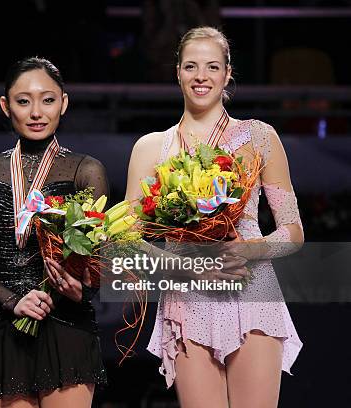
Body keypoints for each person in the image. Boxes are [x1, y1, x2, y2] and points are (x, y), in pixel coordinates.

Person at [125, 27, 303, 407]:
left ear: (227, 73)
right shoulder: (151, 147)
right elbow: (124, 239)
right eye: (191, 66)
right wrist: (186, 268)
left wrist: (251, 250)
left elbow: (293, 230)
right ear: (177, 73)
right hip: (188, 294)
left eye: (211, 67)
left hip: (251, 287)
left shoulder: (259, 137)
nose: (201, 76)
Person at [0, 57, 108, 408]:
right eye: (24, 101)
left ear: (64, 103)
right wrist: (12, 300)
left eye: (48, 100)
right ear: (5, 106)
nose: (37, 112)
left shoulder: (86, 170)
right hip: (4, 321)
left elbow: (100, 259)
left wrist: (81, 287)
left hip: (67, 322)